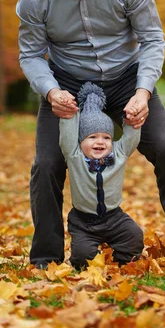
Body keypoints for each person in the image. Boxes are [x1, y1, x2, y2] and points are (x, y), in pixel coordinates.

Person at [16, 0, 165, 269]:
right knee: (47, 164)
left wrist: (143, 92)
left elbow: (152, 39)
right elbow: (30, 54)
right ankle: (46, 258)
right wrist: (52, 91)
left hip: (127, 79)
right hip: (66, 84)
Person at [59, 82, 143, 268]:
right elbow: (68, 135)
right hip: (83, 222)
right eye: (92, 137)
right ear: (80, 141)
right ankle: (85, 259)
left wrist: (131, 121)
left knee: (134, 236)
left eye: (106, 137)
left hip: (114, 217)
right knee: (83, 256)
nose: (100, 142)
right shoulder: (74, 155)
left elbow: (131, 138)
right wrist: (69, 115)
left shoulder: (119, 154)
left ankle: (122, 261)